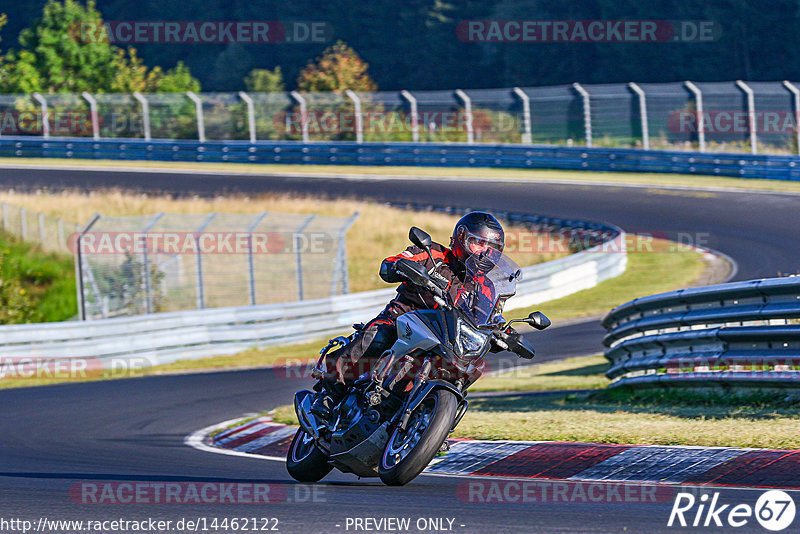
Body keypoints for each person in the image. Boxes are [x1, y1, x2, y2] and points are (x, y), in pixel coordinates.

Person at [310, 211, 505, 419]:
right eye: (478, 243)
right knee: (379, 336)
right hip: (402, 319)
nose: (484, 252)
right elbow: (391, 263)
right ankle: (329, 392)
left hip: (445, 338)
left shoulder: (486, 288)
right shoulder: (434, 255)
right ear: (460, 238)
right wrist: (399, 267)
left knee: (469, 367)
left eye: (491, 248)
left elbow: (491, 317)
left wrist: (504, 333)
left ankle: (434, 420)